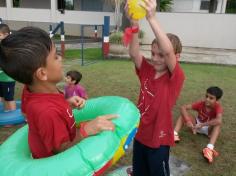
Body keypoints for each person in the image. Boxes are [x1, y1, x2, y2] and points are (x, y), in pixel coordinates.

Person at [0, 26, 117, 159]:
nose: (60, 58)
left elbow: (28, 113)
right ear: (42, 74)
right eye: (56, 57)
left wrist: (66, 104)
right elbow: (60, 149)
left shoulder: (31, 89)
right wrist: (87, 129)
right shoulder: (46, 112)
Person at [126, 0, 185, 175]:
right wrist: (134, 25)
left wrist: (151, 18)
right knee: (140, 172)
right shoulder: (146, 70)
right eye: (153, 53)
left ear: (177, 56)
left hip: (159, 141)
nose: (156, 58)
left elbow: (168, 52)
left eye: (161, 55)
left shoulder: (175, 78)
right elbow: (133, 53)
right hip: (140, 135)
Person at [174, 86, 223, 163]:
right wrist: (187, 121)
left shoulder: (218, 107)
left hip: (207, 129)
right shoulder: (201, 103)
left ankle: (209, 149)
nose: (207, 99)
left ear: (217, 100)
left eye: (211, 98)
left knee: (218, 124)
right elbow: (183, 107)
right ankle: (174, 134)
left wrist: (202, 125)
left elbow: (219, 120)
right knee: (183, 115)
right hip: (196, 125)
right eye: (206, 96)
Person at [0, 24, 16, 111]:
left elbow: (11, 61)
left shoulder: (9, 47)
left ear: (6, 35)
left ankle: (12, 118)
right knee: (2, 97)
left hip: (8, 79)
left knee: (9, 98)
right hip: (1, 78)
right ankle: (6, 114)